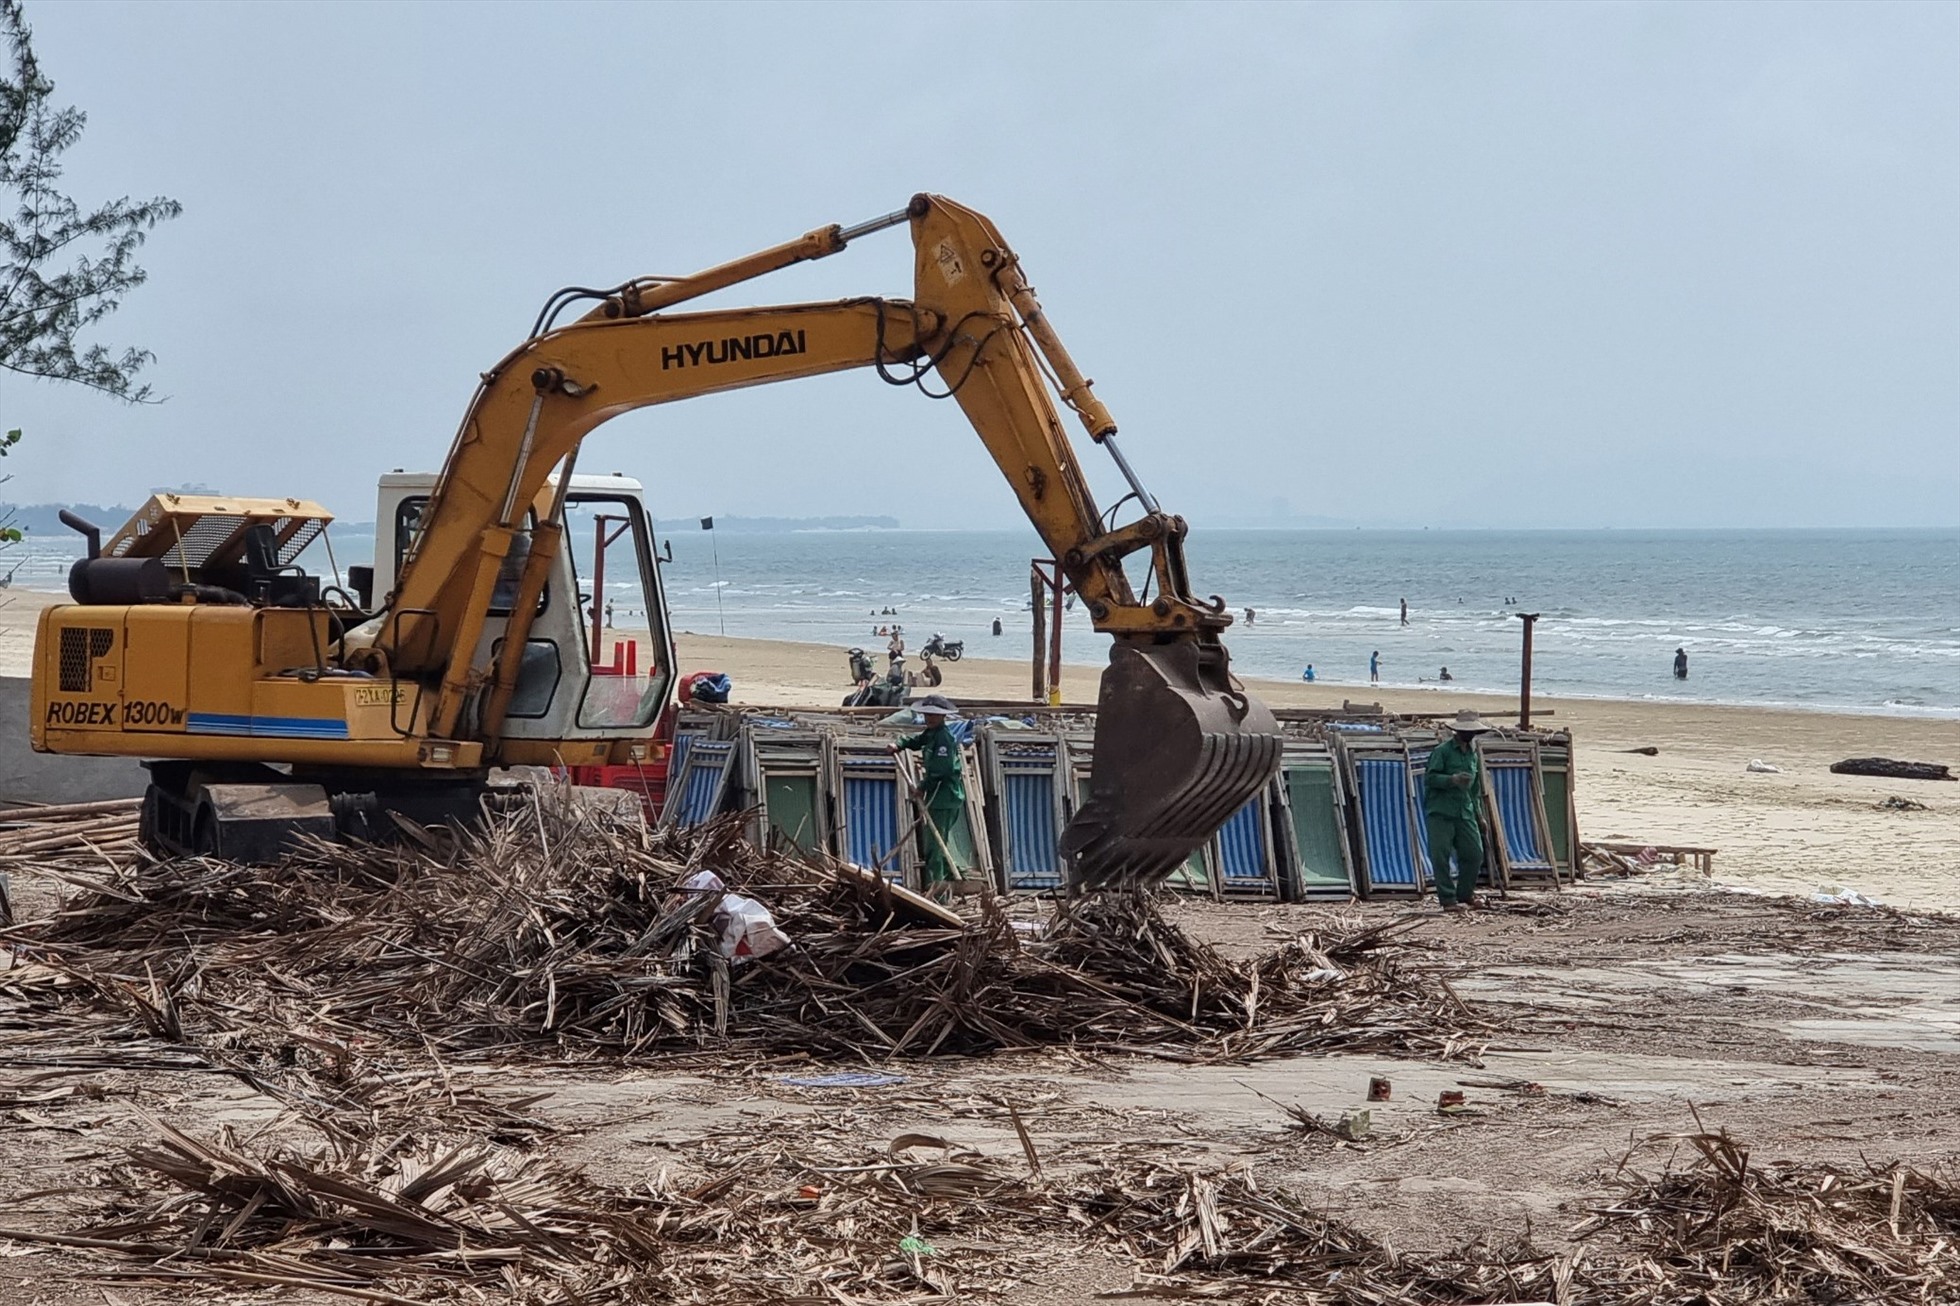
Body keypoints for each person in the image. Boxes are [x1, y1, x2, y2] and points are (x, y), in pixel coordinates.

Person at [895, 694, 965, 902]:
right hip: (939, 796)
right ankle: (939, 888)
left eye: (934, 715)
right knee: (935, 843)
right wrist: (900, 744)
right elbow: (918, 741)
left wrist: (922, 787)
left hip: (945, 796)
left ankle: (938, 895)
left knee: (936, 845)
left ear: (943, 717)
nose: (929, 718)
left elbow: (941, 770)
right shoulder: (932, 733)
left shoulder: (944, 737)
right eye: (927, 714)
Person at [1424, 710, 1491, 912]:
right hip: (1441, 811)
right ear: (1457, 731)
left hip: (1465, 811)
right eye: (1465, 731)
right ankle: (1447, 899)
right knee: (1440, 856)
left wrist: (1480, 816)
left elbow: (1475, 789)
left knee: (1474, 853)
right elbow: (1430, 779)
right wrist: (1451, 780)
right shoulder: (1442, 751)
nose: (1469, 735)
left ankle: (1465, 893)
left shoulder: (1472, 754)